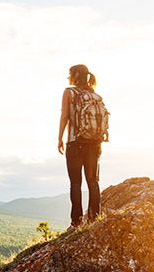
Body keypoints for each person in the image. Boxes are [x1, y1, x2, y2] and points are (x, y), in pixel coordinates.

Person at [57, 64, 108, 229]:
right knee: (93, 181)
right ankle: (94, 219)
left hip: (75, 142)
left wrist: (59, 138)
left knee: (76, 183)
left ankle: (76, 222)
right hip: (95, 143)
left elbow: (64, 116)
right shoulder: (94, 95)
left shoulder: (69, 92)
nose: (68, 77)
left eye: (70, 74)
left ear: (77, 75)